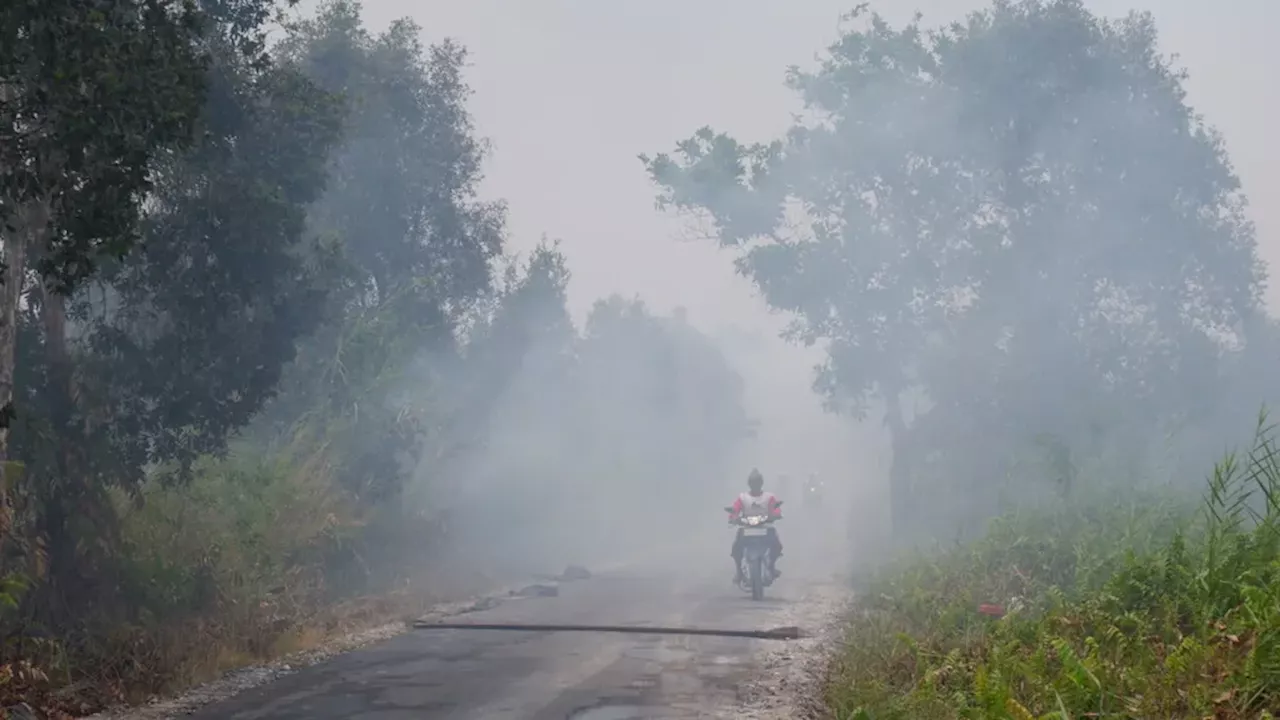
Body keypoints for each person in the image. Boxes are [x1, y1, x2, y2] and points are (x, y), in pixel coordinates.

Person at [727, 468, 784, 583]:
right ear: (749, 484)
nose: (755, 485)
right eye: (753, 483)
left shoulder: (769, 497)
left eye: (757, 482)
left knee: (777, 546)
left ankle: (771, 566)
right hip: (746, 528)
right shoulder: (742, 497)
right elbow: (735, 509)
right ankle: (739, 572)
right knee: (736, 548)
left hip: (765, 527)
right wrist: (733, 517)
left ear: (761, 483)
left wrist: (775, 515)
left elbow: (776, 509)